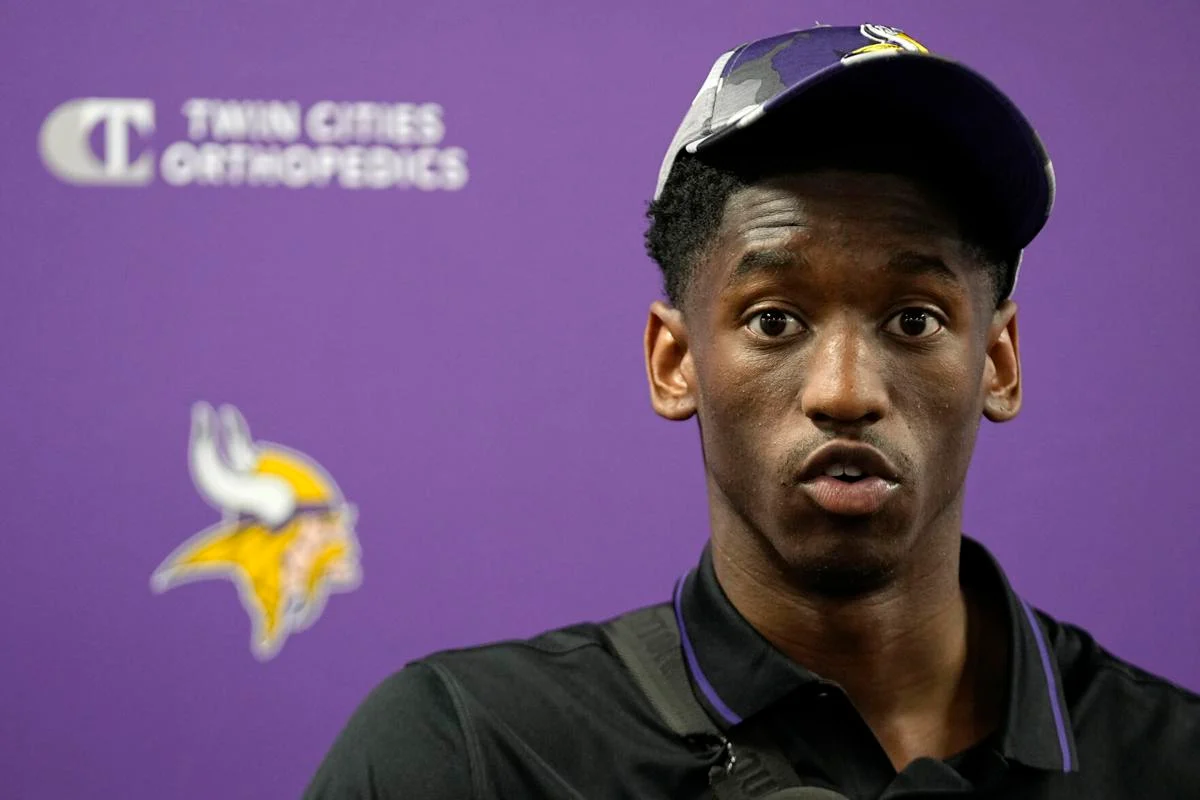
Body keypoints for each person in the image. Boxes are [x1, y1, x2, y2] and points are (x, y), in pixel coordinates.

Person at [304, 23, 1200, 799]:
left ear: (997, 363)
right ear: (676, 362)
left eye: (914, 320)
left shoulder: (1171, 763)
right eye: (775, 320)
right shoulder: (471, 757)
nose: (845, 392)